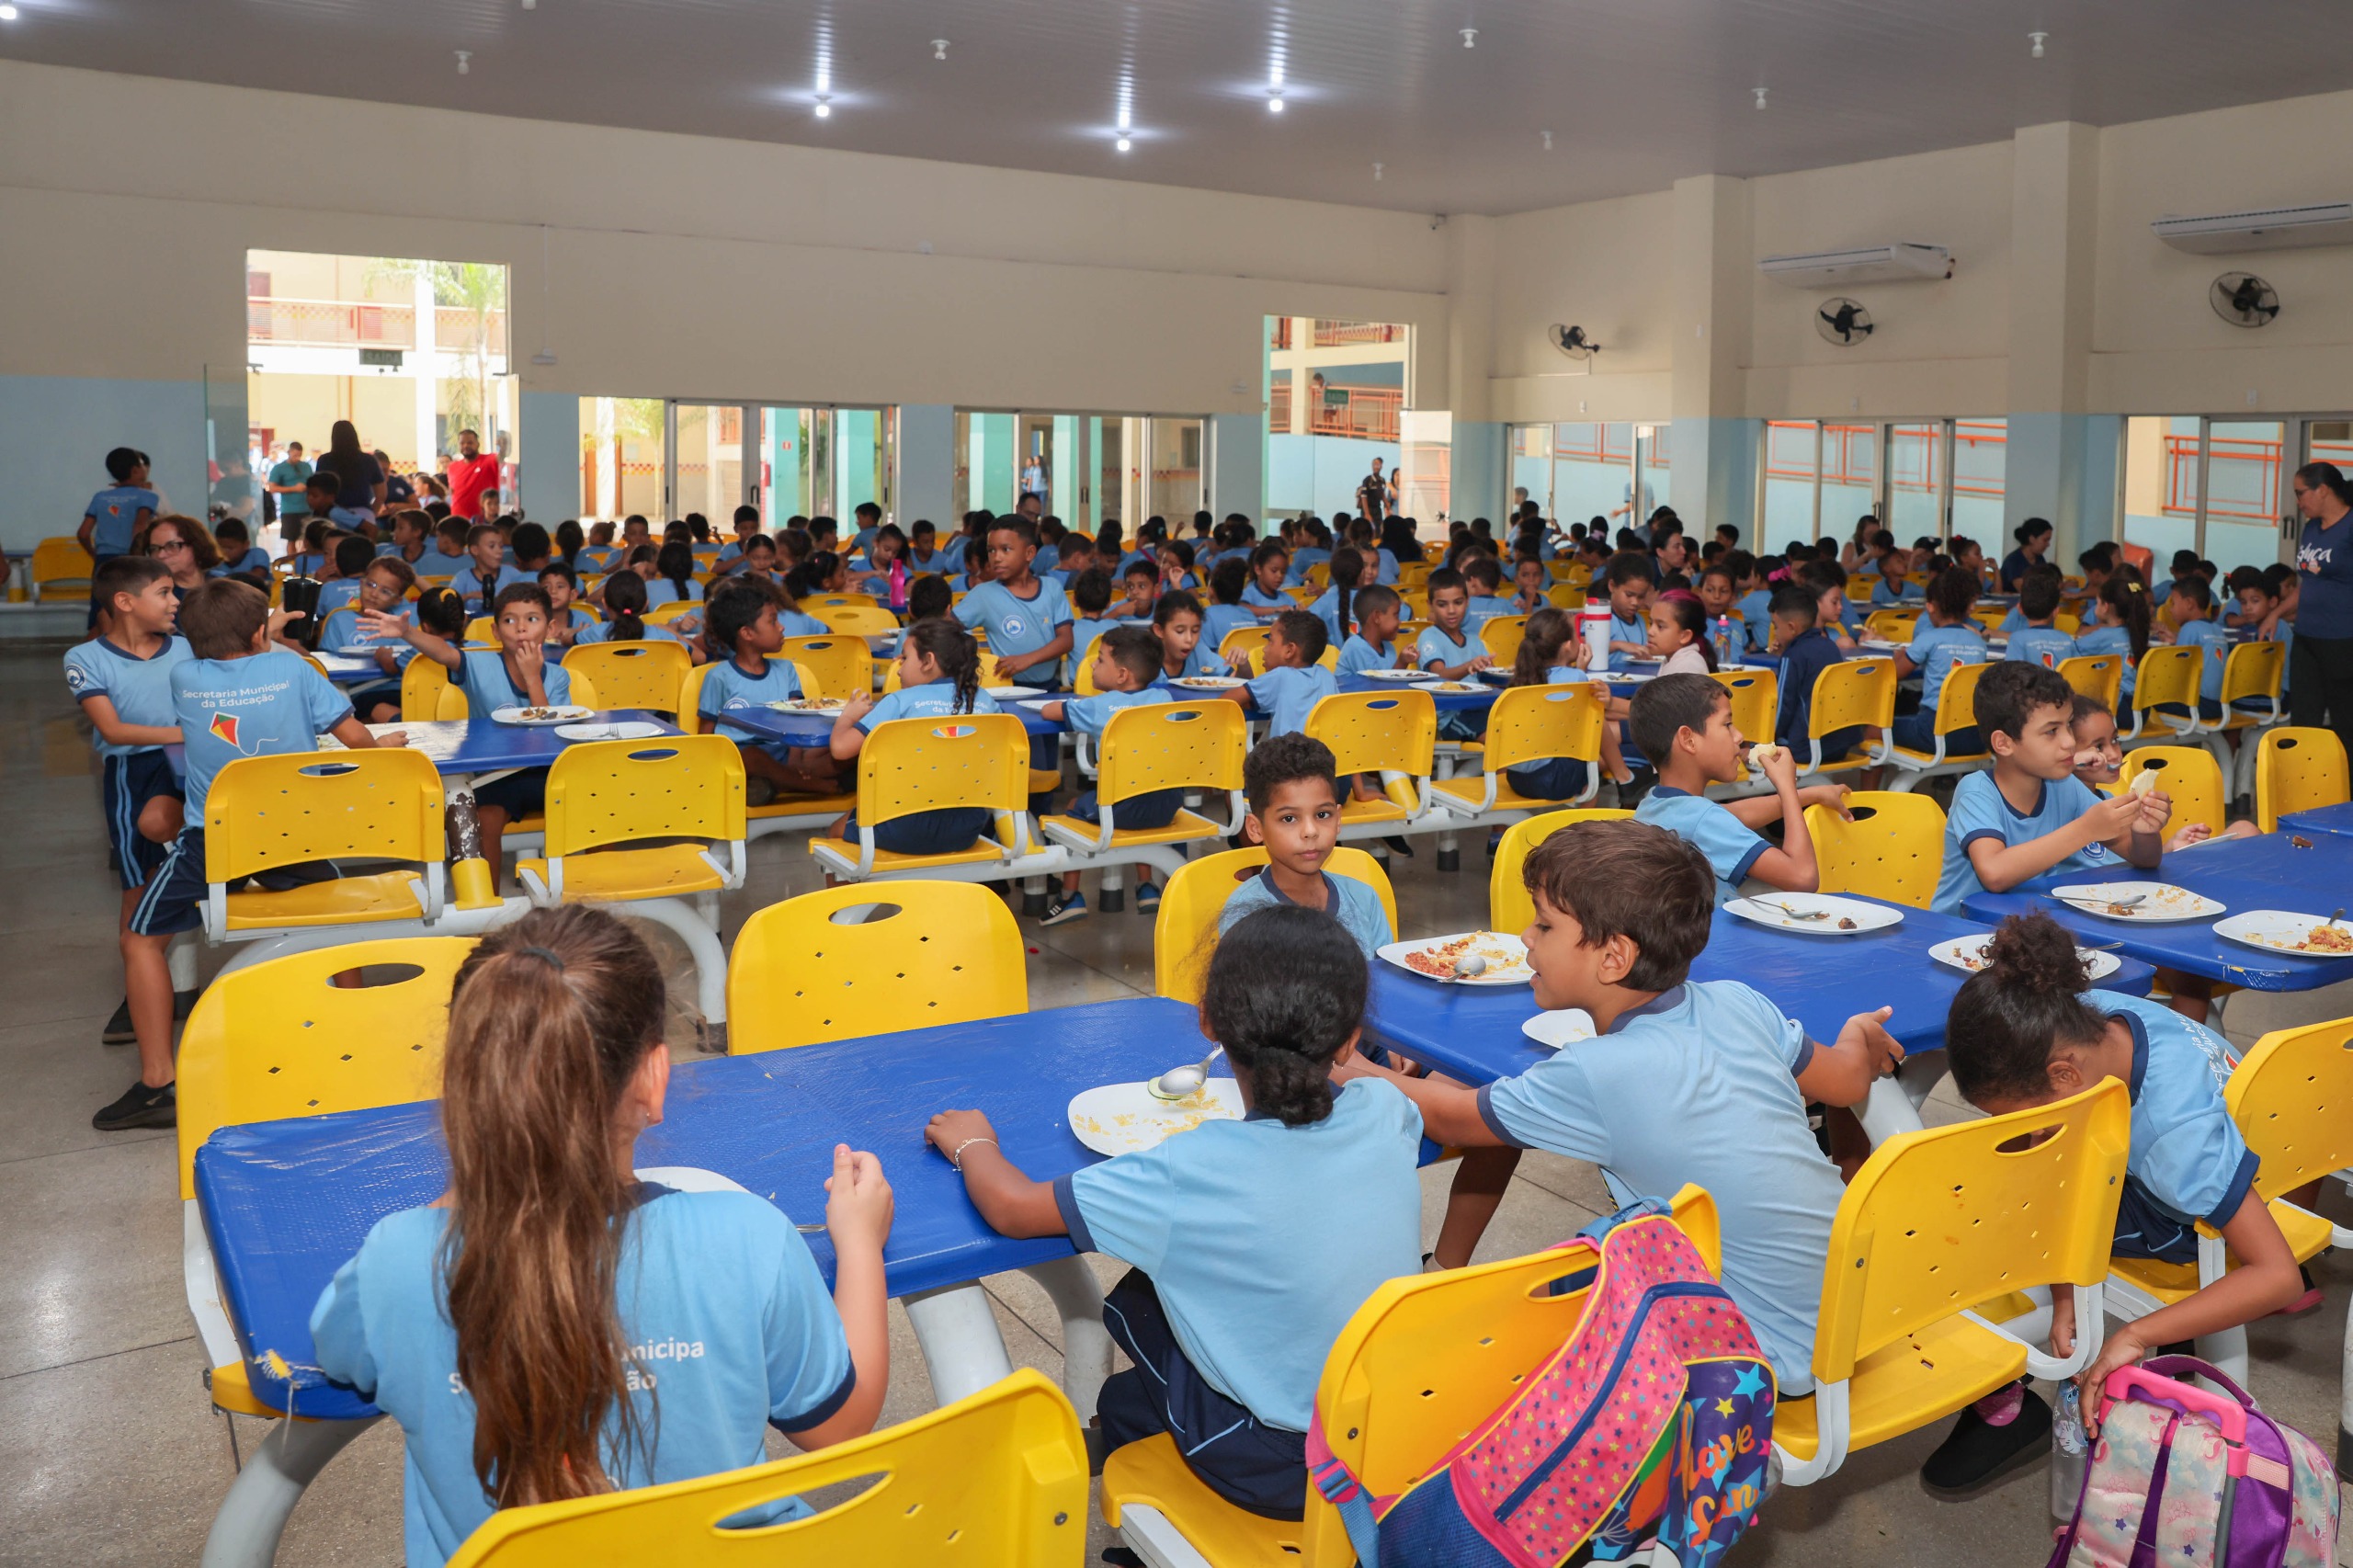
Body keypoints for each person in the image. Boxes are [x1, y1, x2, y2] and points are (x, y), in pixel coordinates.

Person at [310, 907, 892, 1563]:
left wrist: (475, 1180)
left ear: (467, 1086)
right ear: (653, 1078)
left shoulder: (397, 1263)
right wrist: (861, 1242)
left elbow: (336, 1353)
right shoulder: (750, 1239)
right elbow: (842, 1427)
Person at [1334, 818, 1901, 1392]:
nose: (1526, 938)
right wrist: (1856, 1031)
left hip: (1767, 1353)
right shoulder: (1739, 1003)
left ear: (1613, 958)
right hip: (1864, 1307)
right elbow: (1850, 1082)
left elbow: (1456, 1118)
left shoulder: (1596, 1072)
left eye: (1544, 925)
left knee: (1515, 1334)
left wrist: (1340, 1065)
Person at [926, 901, 1420, 1518]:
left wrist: (974, 1142)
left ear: (1208, 1021)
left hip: (1289, 1468)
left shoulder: (1187, 1172)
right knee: (1155, 1338)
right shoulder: (1386, 1111)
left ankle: (1165, 1529)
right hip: (1395, 1428)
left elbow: (1013, 1208)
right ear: (1351, 1039)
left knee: (1132, 1365)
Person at [1916, 911, 2305, 1493]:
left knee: (1981, 1218)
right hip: (2224, 1158)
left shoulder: (2175, 1141)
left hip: (2194, 1216)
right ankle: (2009, 1392)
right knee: (2009, 1171)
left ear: (2064, 1076)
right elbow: (2049, 1149)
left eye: (2015, 1114)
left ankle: (2000, 1407)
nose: (2015, 1128)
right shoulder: (2104, 1018)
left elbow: (2279, 1278)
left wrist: (2136, 1333)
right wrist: (2064, 1288)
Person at [110, 580, 395, 1129]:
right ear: (261, 632)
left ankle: (158, 1082)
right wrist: (384, 746)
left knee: (140, 938)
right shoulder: (292, 667)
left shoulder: (183, 675)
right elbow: (357, 741)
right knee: (339, 925)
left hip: (216, 842)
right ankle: (356, 1049)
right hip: (298, 834)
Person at [66, 556, 191, 1050]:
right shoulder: (85, 658)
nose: (174, 601)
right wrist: (188, 730)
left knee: (161, 824)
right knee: (134, 882)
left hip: (187, 764)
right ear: (125, 602)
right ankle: (136, 983)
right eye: (164, 592)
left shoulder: (183, 647)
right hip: (131, 771)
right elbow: (113, 730)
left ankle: (176, 913)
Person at [1929, 661, 2165, 915]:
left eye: (2068, 725)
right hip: (1964, 932)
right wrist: (2086, 829)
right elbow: (1994, 874)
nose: (2069, 742)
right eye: (2052, 731)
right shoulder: (1976, 792)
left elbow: (2143, 858)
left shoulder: (2064, 786)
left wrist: (2145, 831)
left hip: (2028, 928)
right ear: (2004, 743)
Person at [368, 584, 572, 874]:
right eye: (510, 620)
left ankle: (598, 887)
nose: (521, 629)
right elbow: (445, 653)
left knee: (597, 798)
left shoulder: (559, 676)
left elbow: (546, 738)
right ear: (495, 631)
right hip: (495, 777)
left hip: (547, 772)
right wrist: (407, 632)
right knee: (485, 819)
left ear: (550, 628)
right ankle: (487, 905)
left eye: (532, 619)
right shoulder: (480, 665)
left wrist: (533, 678)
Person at [1629, 673, 1845, 903]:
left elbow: (1735, 814)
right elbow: (1803, 877)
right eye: (1727, 724)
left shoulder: (1655, 803)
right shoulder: (1703, 821)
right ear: (1688, 740)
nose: (1739, 736)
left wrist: (1812, 793)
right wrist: (1787, 787)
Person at [1038, 627, 1188, 926]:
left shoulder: (1098, 707)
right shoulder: (1165, 698)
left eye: (1101, 660)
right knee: (1142, 791)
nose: (1093, 664)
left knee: (1074, 806)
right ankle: (1146, 887)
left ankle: (1070, 897)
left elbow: (1049, 711)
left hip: (1122, 812)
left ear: (1121, 675)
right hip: (1168, 806)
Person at [826, 619, 1001, 857]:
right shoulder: (985, 700)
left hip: (902, 827)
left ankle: (856, 896)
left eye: (905, 658)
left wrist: (848, 716)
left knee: (834, 833)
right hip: (966, 828)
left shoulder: (900, 701)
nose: (897, 668)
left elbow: (840, 749)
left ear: (928, 661)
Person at [696, 579, 855, 802]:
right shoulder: (719, 677)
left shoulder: (786, 670)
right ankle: (817, 785)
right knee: (751, 757)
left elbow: (795, 723)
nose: (781, 627)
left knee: (843, 745)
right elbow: (706, 733)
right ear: (747, 633)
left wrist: (795, 759)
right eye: (772, 621)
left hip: (784, 754)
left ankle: (779, 782)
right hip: (742, 759)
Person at [1889, 566, 1989, 755]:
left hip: (1935, 731)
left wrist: (1898, 658)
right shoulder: (1978, 642)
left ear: (1931, 606)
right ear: (1968, 607)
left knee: (1875, 728)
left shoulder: (1928, 638)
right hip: (1974, 734)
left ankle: (1874, 786)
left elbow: (1892, 676)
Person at [1766, 583, 1863, 765]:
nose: (1775, 633)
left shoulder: (1792, 656)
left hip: (1806, 749)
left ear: (1792, 627)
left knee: (1755, 744)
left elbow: (1782, 708)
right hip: (1839, 746)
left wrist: (1766, 740)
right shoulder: (1830, 646)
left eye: (1775, 626)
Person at [318, 557, 420, 721]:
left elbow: (444, 599)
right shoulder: (339, 619)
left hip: (404, 689)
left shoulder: (406, 617)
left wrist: (412, 576)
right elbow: (326, 667)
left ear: (398, 599)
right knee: (381, 709)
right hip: (361, 692)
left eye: (385, 591)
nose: (374, 594)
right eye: (370, 584)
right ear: (361, 583)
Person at [78, 446, 160, 630]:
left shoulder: (100, 497)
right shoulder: (147, 496)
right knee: (131, 614)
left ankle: (89, 657)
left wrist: (95, 555)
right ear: (136, 470)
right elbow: (139, 527)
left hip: (104, 561)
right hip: (130, 560)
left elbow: (83, 533)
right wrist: (138, 558)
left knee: (100, 614)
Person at [1222, 609, 1336, 736]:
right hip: (1324, 754)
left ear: (1289, 650)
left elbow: (1225, 702)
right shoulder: (1327, 675)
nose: (1264, 649)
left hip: (1284, 755)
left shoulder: (1280, 676)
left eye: (1270, 641)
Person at [1415, 569, 1492, 682]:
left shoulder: (1474, 641)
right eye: (1442, 605)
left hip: (1478, 699)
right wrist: (1468, 666)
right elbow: (1438, 675)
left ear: (1467, 602)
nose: (1451, 610)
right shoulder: (1429, 636)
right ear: (1430, 605)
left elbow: (1492, 677)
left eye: (1458, 602)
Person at [314, 420, 387, 523]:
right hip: (363, 514)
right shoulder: (368, 460)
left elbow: (318, 491)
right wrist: (372, 513)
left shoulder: (325, 460)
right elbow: (381, 494)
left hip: (333, 515)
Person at [2006, 566, 2079, 668]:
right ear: (2056, 612)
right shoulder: (2067, 639)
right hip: (2061, 684)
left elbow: (2011, 675)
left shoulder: (2017, 639)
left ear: (2020, 609)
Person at [138, 515, 222, 604]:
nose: (160, 555)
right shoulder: (154, 595)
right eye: (154, 549)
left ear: (196, 545)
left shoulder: (224, 583)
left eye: (172, 546)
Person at [450, 524, 528, 617]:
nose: (499, 551)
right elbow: (447, 605)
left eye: (501, 546)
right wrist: (469, 596)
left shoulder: (511, 573)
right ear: (475, 550)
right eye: (492, 546)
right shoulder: (462, 577)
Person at [1063, 568, 1120, 687]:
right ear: (1109, 603)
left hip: (1077, 689)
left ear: (1074, 601)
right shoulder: (1117, 627)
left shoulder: (1069, 629)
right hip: (1110, 687)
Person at [1334, 585, 1403, 677]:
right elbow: (1378, 687)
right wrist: (1402, 662)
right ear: (1377, 617)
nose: (1400, 621)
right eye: (1396, 615)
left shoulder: (1388, 647)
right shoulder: (1356, 647)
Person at [1152, 589, 1218, 682]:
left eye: (1195, 631)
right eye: (1180, 631)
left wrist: (1242, 666)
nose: (1189, 639)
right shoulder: (1145, 661)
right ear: (1159, 631)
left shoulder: (1199, 653)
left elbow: (1233, 680)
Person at [1306, 546, 1366, 649]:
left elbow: (1304, 624)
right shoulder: (1376, 598)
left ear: (1333, 576)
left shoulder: (1327, 600)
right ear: (1362, 573)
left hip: (1332, 663)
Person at [1600, 553, 1655, 658]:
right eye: (1629, 595)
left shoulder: (1640, 620)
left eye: (1641, 597)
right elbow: (1584, 648)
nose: (1635, 602)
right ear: (1612, 586)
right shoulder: (1600, 619)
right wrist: (1619, 645)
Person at [1201, 558, 1257, 660]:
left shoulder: (1205, 616)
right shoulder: (1250, 614)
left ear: (1212, 590)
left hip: (1225, 672)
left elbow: (1204, 657)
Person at [445, 428, 501, 522]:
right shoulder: (452, 466)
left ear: (477, 444)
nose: (466, 446)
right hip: (458, 519)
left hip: (484, 520)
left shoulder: (489, 460)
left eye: (470, 443)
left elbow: (501, 457)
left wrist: (503, 445)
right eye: (462, 443)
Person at [264, 441, 314, 544]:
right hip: (289, 510)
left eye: (299, 455)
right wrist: (293, 489)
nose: (297, 458)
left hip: (306, 508)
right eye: (295, 455)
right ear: (289, 452)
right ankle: (292, 560)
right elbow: (272, 488)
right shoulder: (279, 468)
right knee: (291, 540)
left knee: (308, 540)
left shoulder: (306, 467)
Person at [210, 518, 272, 585]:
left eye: (230, 548)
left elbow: (258, 576)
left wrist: (227, 579)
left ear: (246, 545)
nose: (224, 552)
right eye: (220, 547)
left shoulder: (258, 554)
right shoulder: (217, 562)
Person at [1998, 517, 2053, 593]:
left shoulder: (2040, 559)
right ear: (2032, 539)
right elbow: (2024, 590)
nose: (2048, 544)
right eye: (2045, 540)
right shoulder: (2013, 561)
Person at [1357, 456, 1388, 522]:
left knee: (1378, 529)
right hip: (1368, 508)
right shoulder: (1368, 480)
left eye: (1378, 465)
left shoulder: (1382, 480)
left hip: (1377, 509)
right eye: (1374, 464)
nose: (1376, 467)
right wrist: (1367, 514)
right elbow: (1364, 497)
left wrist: (1388, 507)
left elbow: (1382, 494)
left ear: (1381, 466)